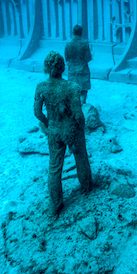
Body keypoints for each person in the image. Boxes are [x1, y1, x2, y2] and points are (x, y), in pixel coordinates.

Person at [34, 51, 92, 217]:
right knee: (81, 158)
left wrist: (49, 124)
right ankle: (87, 187)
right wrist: (81, 128)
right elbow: (78, 115)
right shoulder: (71, 88)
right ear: (62, 67)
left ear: (47, 68)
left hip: (54, 131)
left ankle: (55, 204)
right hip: (71, 130)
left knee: (54, 167)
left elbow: (37, 113)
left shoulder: (41, 87)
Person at [64, 25, 92, 105]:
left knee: (73, 89)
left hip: (72, 70)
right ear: (81, 32)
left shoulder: (68, 43)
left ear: (73, 32)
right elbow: (88, 58)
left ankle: (74, 107)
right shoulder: (85, 43)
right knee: (83, 89)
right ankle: (82, 106)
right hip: (83, 69)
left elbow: (67, 57)